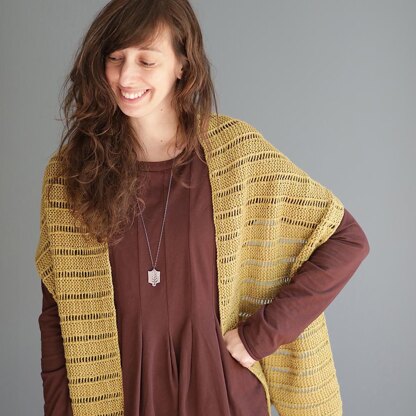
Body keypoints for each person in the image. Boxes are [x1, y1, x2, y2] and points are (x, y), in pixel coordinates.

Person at [34, 1, 370, 415]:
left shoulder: (235, 154)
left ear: (182, 64)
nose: (126, 76)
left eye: (146, 60)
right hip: (117, 397)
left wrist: (260, 337)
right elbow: (57, 315)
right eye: (115, 58)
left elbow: (347, 240)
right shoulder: (71, 174)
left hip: (222, 394)